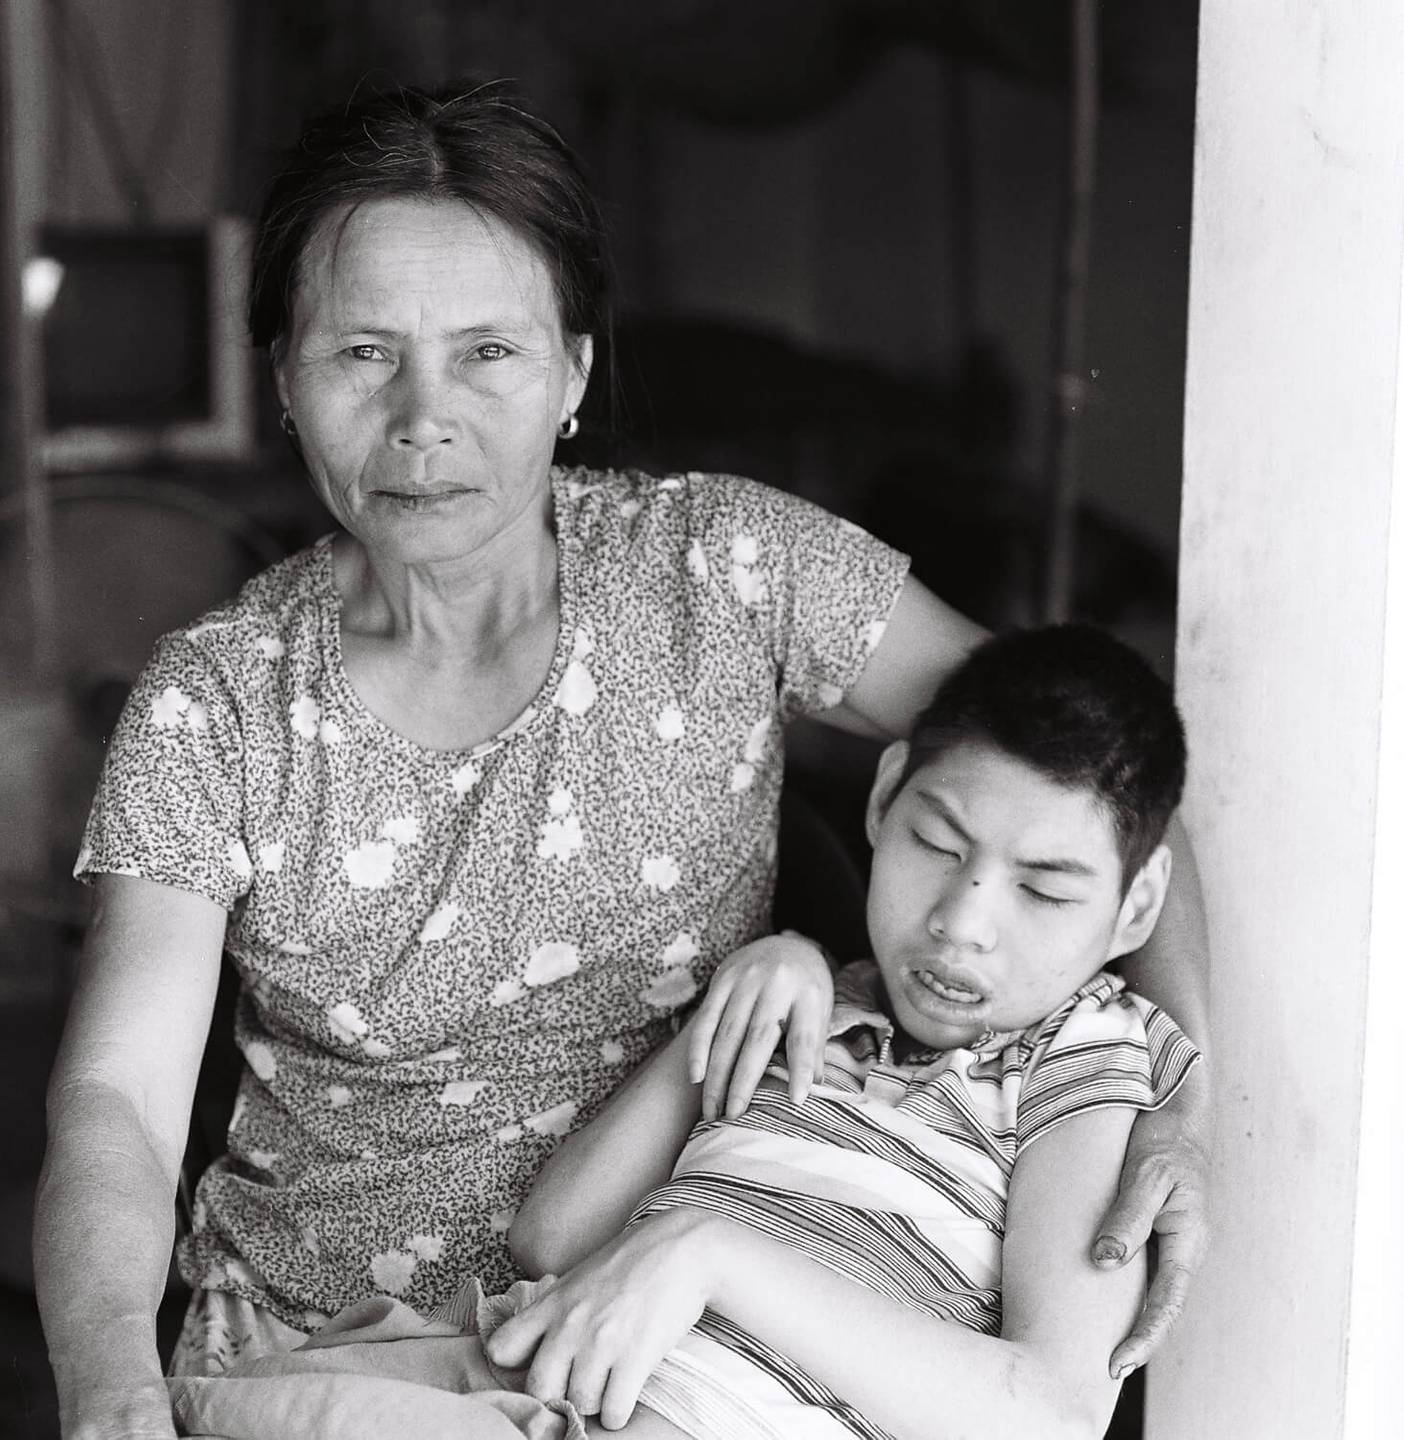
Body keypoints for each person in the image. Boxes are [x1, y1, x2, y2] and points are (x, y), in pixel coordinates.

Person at [32, 82, 1209, 1440]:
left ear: (576, 374)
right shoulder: (215, 706)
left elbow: (1097, 780)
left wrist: (1180, 1103)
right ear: (285, 377)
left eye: (489, 352)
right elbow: (117, 1096)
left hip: (659, 1363)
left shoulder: (733, 572)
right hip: (317, 1364)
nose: (427, 418)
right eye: (362, 352)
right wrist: (112, 1386)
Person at [163, 625, 1199, 1440]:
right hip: (520, 1391)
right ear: (884, 799)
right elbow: (553, 1238)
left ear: (1138, 905)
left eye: (1045, 891)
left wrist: (709, 1257)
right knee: (235, 1407)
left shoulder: (1085, 1052)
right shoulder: (807, 1003)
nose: (963, 924)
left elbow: (1053, 1413)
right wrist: (735, 1002)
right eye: (939, 843)